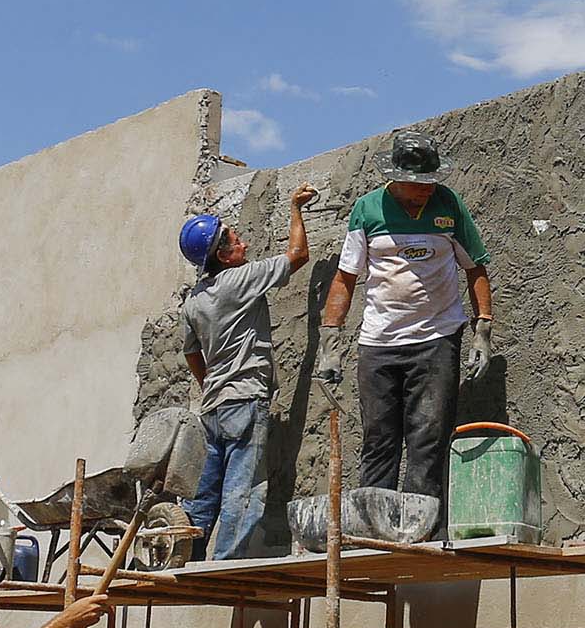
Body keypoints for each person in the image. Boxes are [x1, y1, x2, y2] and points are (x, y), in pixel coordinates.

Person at [315, 131, 495, 515]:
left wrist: (482, 331)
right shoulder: (367, 210)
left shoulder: (449, 205)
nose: (426, 189)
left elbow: (475, 267)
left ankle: (419, 530)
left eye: (431, 180)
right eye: (417, 183)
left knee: (427, 439)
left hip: (436, 339)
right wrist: (330, 345)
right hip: (379, 343)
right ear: (395, 177)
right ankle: (373, 531)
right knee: (379, 440)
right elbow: (345, 278)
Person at [175, 183, 317, 561]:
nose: (245, 245)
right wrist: (295, 207)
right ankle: (225, 566)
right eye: (237, 242)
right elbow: (298, 255)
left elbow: (191, 352)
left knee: (204, 493)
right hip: (245, 400)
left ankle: (188, 558)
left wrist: (211, 384)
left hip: (213, 407)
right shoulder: (239, 281)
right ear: (222, 255)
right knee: (243, 489)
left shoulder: (193, 301)